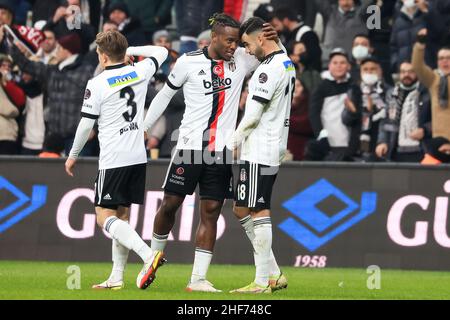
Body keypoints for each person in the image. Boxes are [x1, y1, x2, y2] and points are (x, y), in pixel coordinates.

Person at [142, 13, 285, 293]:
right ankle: (151, 258)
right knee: (170, 204)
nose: (235, 47)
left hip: (220, 152)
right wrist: (144, 128)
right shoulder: (187, 62)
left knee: (210, 212)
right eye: (230, 41)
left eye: (237, 42)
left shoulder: (243, 59)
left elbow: (277, 57)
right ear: (214, 38)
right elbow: (164, 96)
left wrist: (275, 39)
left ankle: (197, 279)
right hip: (188, 148)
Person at [64, 30, 169, 290]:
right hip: (137, 156)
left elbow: (85, 126)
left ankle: (148, 255)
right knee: (121, 217)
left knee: (103, 217)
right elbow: (162, 52)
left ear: (102, 55)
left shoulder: (97, 83)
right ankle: (116, 277)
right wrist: (129, 51)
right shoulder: (141, 70)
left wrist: (73, 155)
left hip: (114, 158)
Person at [226, 16, 295, 293]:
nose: (245, 50)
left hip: (261, 147)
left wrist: (233, 140)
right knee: (241, 208)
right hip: (270, 145)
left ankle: (261, 281)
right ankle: (274, 273)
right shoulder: (285, 61)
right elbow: (281, 50)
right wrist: (278, 39)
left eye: (246, 44)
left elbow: (253, 114)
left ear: (260, 39)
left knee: (257, 209)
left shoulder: (267, 71)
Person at [376, 61, 431, 162]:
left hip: (421, 150)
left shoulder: (427, 93)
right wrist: (382, 141)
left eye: (411, 72)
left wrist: (425, 130)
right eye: (403, 72)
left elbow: (438, 120)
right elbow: (385, 120)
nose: (406, 75)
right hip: (396, 150)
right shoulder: (392, 94)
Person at [412, 28, 450, 162]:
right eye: (441, 59)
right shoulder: (434, 79)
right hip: (437, 142)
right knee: (430, 179)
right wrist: (420, 45)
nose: (445, 61)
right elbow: (417, 67)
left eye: (448, 58)